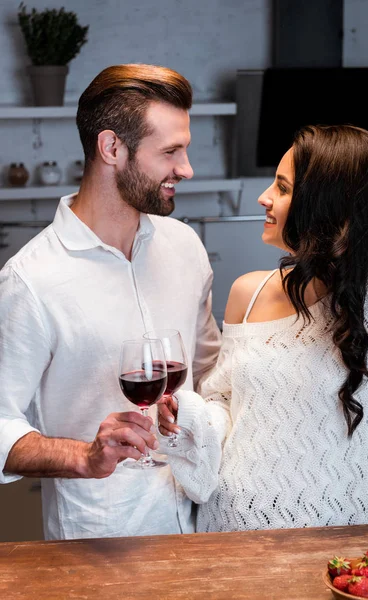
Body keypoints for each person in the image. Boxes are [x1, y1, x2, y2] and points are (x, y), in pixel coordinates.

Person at [0, 64, 221, 540]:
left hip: (206, 527)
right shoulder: (31, 279)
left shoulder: (185, 246)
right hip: (100, 541)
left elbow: (211, 376)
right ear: (112, 148)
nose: (186, 169)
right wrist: (84, 456)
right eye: (171, 151)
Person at [158, 124, 368, 532]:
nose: (264, 197)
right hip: (237, 530)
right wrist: (189, 417)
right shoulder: (248, 292)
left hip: (361, 541)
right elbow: (223, 405)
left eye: (283, 188)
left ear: (328, 205)